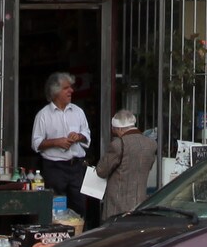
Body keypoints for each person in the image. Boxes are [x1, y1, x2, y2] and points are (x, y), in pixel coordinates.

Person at [30, 72, 92, 226]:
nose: (71, 91)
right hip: (54, 168)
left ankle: (78, 238)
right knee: (57, 209)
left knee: (79, 206)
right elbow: (36, 143)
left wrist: (79, 137)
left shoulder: (78, 111)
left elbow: (87, 135)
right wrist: (55, 142)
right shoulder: (43, 115)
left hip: (76, 166)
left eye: (71, 87)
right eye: (66, 88)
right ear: (55, 91)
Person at [95, 110, 159, 222]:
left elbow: (101, 171)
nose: (115, 133)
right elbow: (148, 167)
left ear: (120, 129)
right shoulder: (151, 144)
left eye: (114, 130)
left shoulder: (118, 144)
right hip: (140, 202)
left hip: (117, 206)